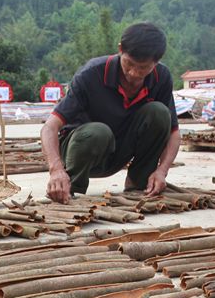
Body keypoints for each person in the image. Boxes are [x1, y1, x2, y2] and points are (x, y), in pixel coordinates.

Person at [41, 22, 181, 204]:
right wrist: (56, 169)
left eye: (143, 68)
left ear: (156, 62)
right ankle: (68, 186)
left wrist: (162, 171)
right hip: (81, 149)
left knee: (159, 113)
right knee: (98, 132)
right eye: (129, 64)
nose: (134, 73)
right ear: (120, 49)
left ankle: (139, 184)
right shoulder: (91, 74)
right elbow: (49, 127)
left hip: (120, 150)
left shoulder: (161, 77)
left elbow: (174, 133)